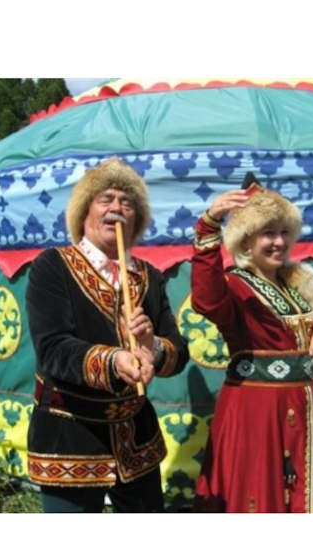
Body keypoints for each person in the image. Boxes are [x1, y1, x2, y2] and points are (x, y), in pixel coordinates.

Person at [25, 157, 190, 513]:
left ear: (136, 220)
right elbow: (52, 349)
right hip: (71, 438)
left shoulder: (148, 276)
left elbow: (179, 350)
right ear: (84, 211)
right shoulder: (53, 266)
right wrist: (115, 360)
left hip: (137, 440)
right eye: (106, 199)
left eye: (127, 202)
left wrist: (152, 348)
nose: (117, 207)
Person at [191, 174, 313, 513]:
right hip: (257, 412)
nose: (279, 242)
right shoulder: (235, 286)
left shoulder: (299, 284)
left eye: (284, 232)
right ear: (246, 241)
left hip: (304, 408)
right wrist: (209, 227)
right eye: (268, 233)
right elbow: (206, 299)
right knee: (258, 493)